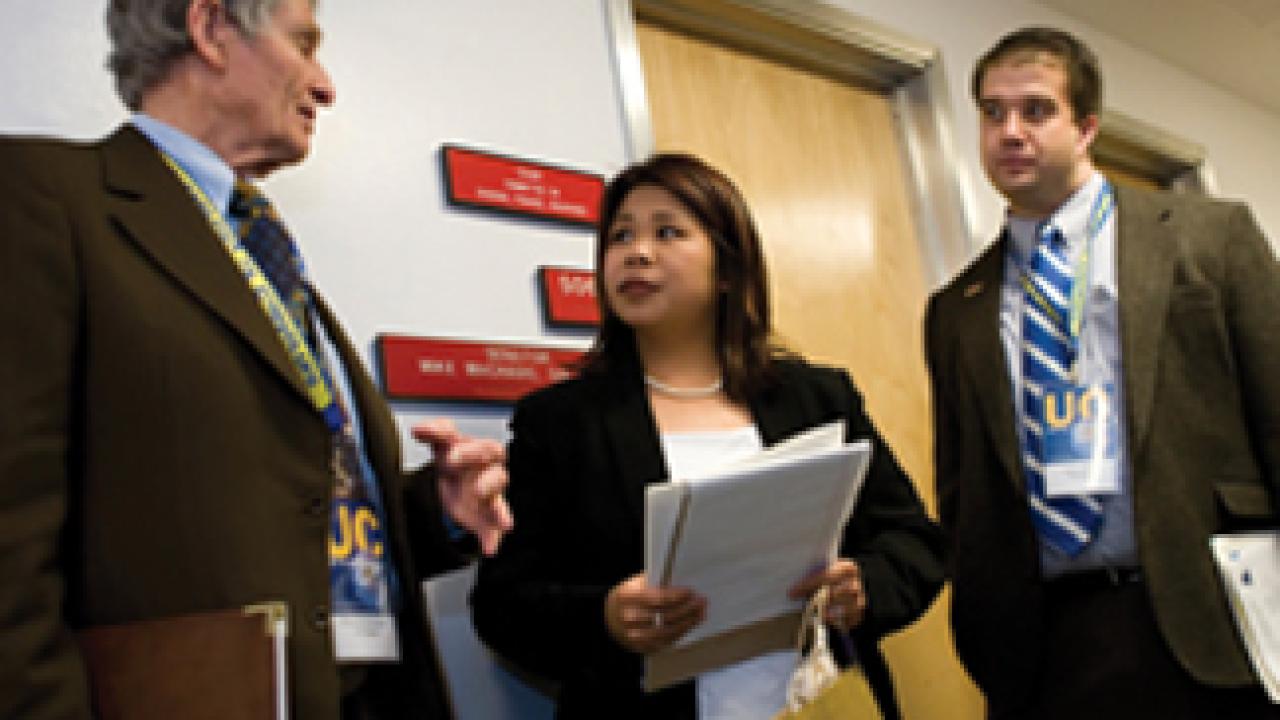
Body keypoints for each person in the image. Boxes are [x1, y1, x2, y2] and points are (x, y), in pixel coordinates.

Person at [0, 1, 512, 719]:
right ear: (210, 28)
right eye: (304, 44)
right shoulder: (41, 197)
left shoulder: (256, 244)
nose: (325, 83)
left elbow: (282, 514)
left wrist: (431, 513)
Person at [471, 153, 945, 719]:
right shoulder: (559, 422)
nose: (636, 252)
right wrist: (605, 617)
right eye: (619, 236)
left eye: (667, 231)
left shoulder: (816, 398)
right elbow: (502, 605)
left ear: (727, 269)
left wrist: (865, 586)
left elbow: (915, 540)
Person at [926, 26, 1280, 719]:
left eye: (1035, 110)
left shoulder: (1211, 236)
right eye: (993, 113)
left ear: (1086, 126)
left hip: (1214, 616)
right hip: (1051, 646)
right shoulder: (955, 310)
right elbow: (962, 489)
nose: (1010, 132)